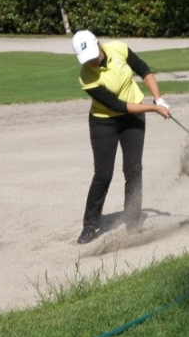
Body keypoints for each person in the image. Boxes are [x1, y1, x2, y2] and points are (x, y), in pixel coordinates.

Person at [72, 30, 171, 244]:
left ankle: (133, 221)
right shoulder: (86, 76)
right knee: (103, 175)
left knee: (133, 169)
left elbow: (144, 71)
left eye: (91, 55)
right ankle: (90, 226)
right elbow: (117, 106)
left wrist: (158, 99)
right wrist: (153, 109)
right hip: (104, 122)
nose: (90, 61)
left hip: (132, 120)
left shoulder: (119, 48)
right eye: (85, 59)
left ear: (98, 45)